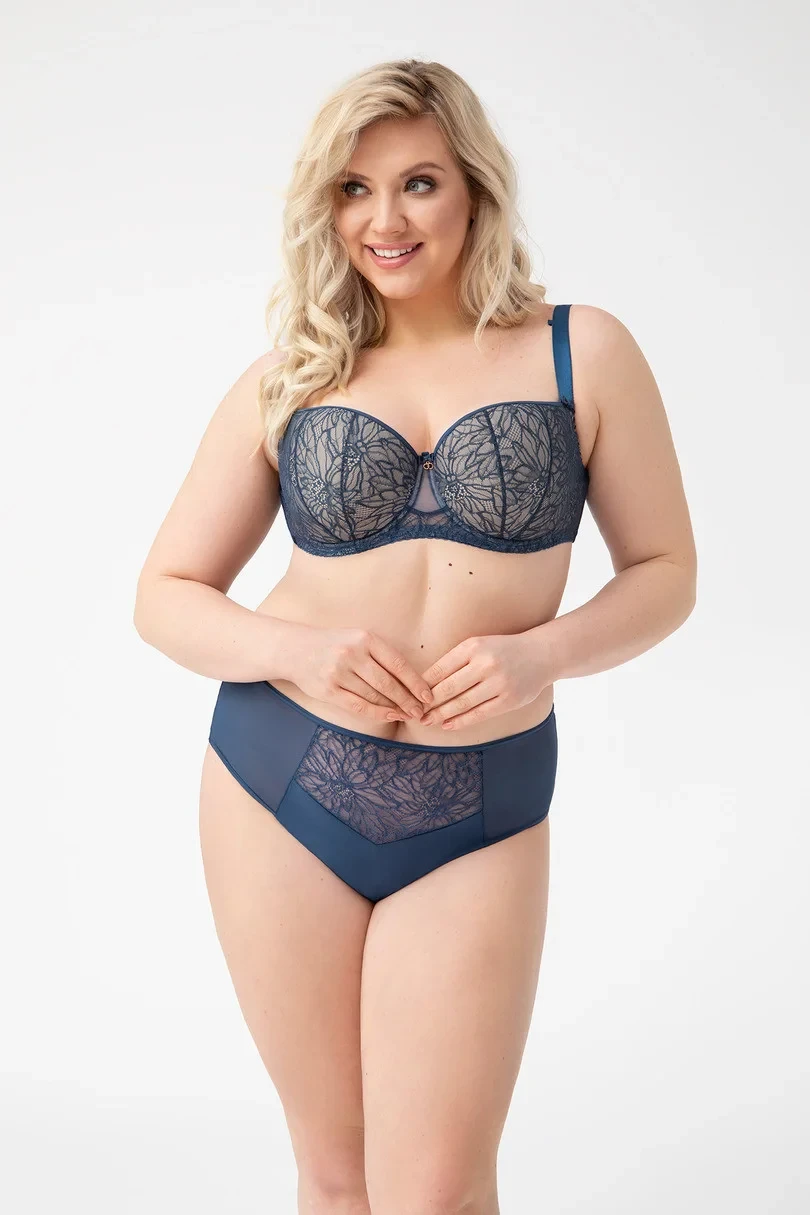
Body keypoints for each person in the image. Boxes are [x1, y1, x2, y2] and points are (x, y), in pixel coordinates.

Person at [134, 57, 697, 1215]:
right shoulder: (291, 379)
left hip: (480, 799)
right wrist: (297, 652)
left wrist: (544, 654)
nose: (384, 219)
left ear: (475, 188)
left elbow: (666, 573)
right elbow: (166, 593)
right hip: (278, 782)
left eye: (419, 183)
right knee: (337, 1180)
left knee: (439, 1190)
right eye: (354, 189)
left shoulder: (582, 353)